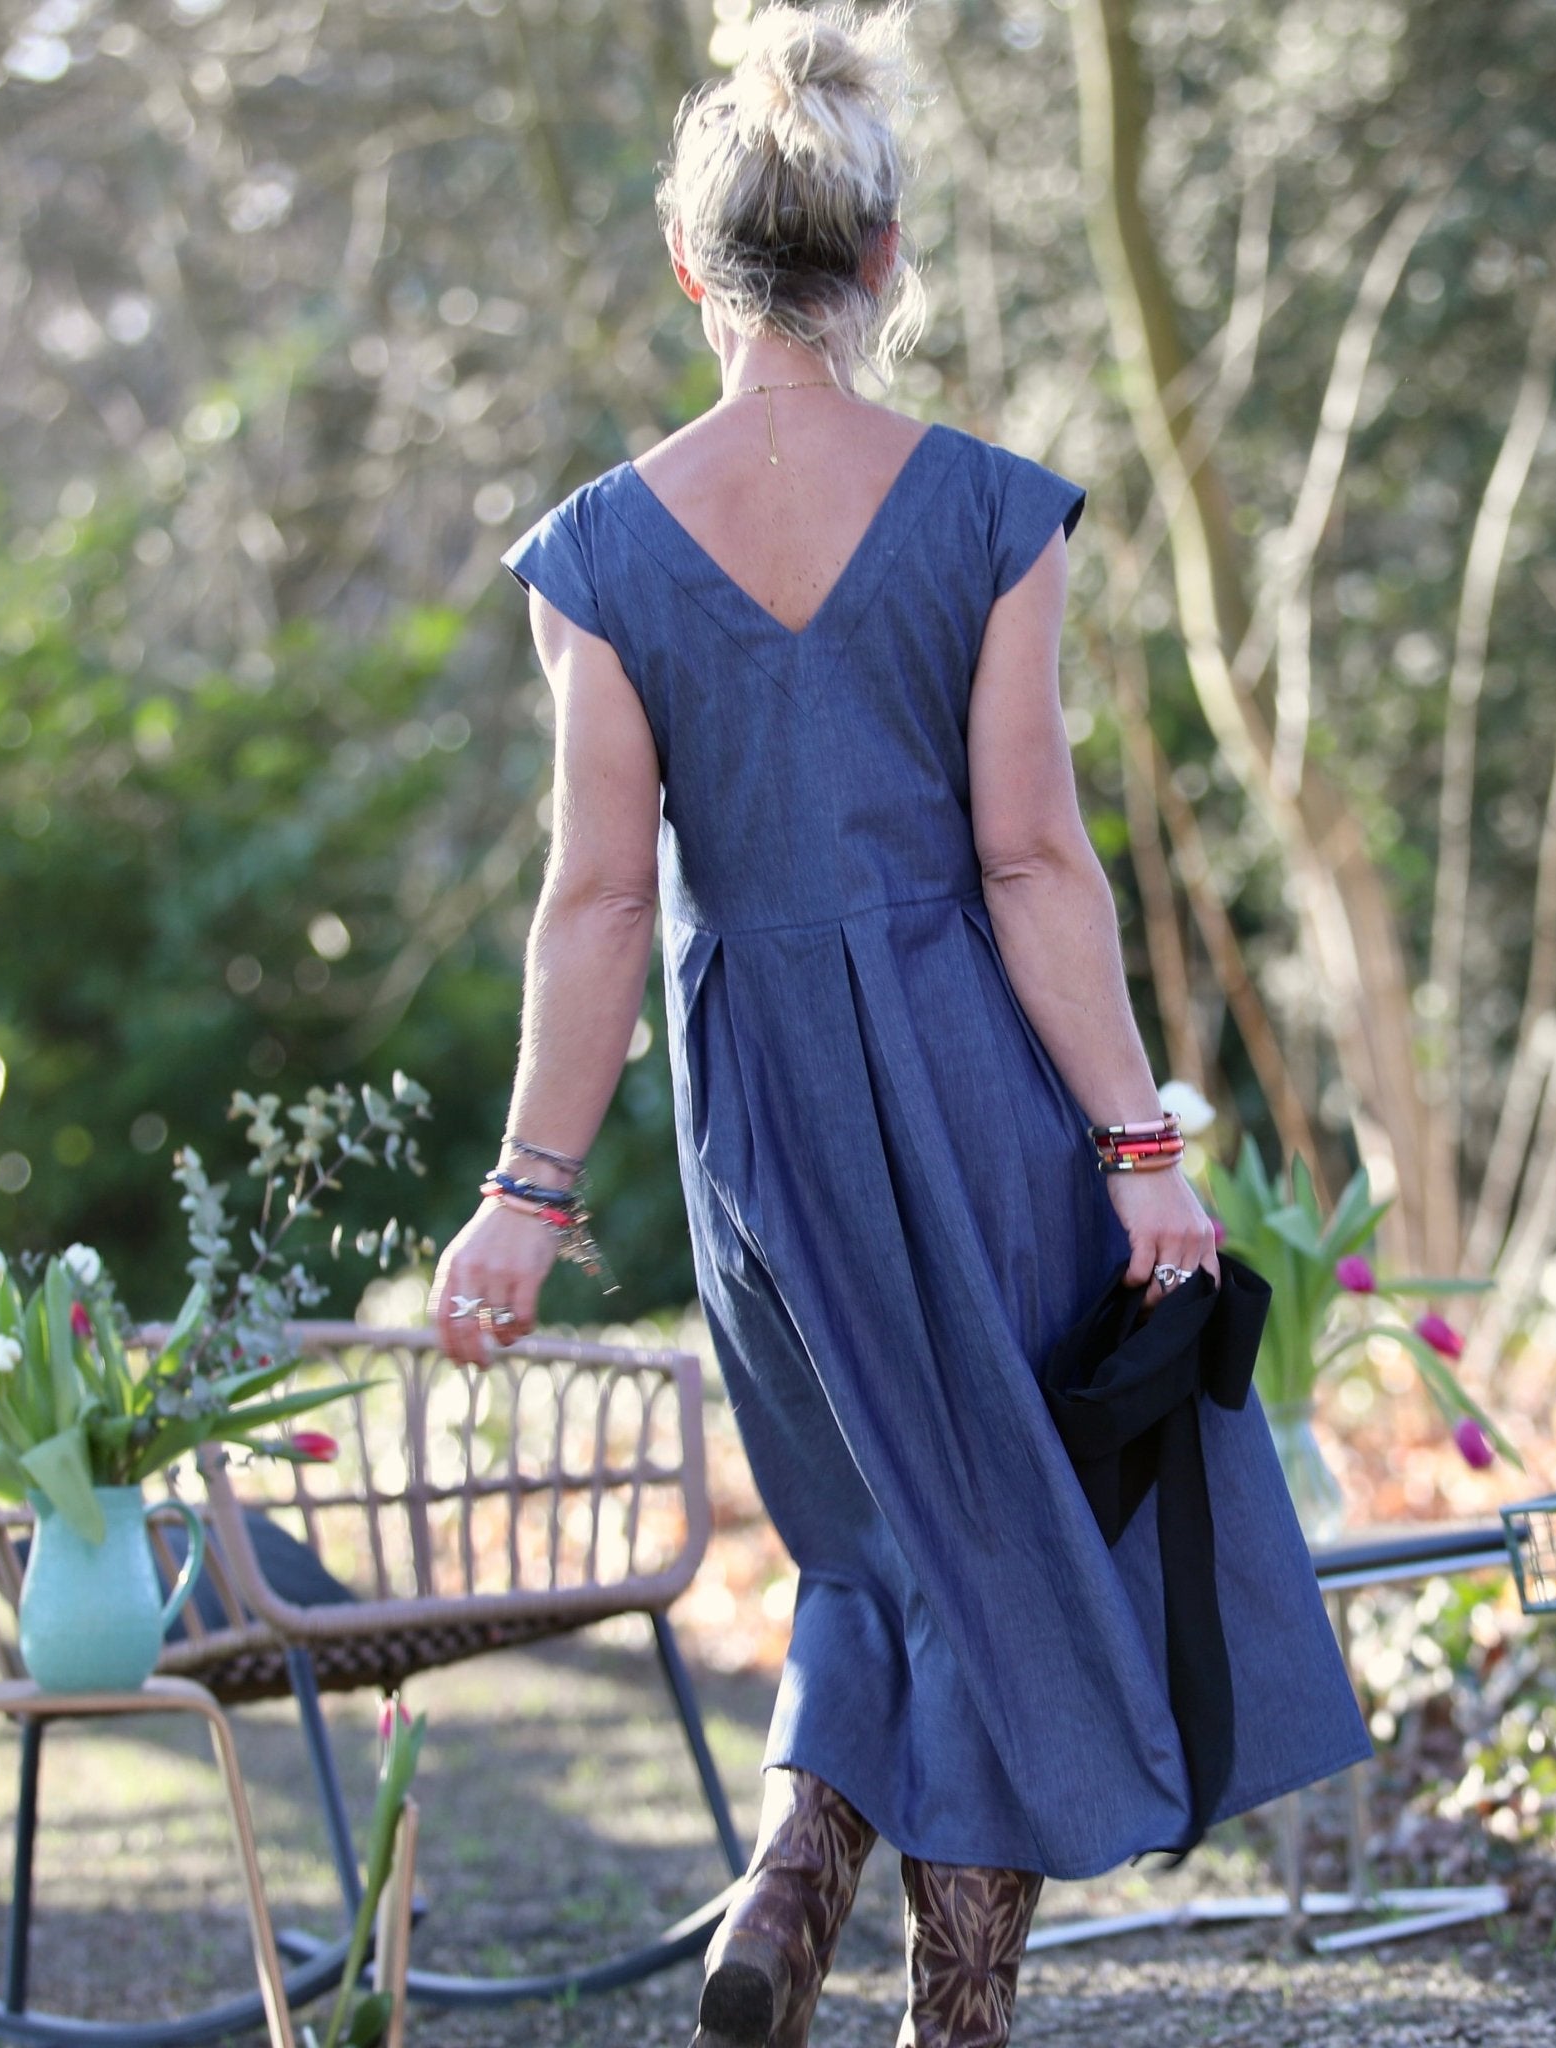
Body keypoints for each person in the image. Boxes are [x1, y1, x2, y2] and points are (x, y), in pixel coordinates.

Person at [429, 4, 1372, 2043]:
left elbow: (597, 899)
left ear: (688, 266)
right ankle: (955, 2012)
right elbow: (1030, 862)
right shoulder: (989, 513)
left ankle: (789, 1887)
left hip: (757, 1123)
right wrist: (1140, 1151)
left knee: (877, 1530)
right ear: (881, 258)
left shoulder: (597, 553)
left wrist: (526, 1192)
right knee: (998, 1532)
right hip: (975, 1087)